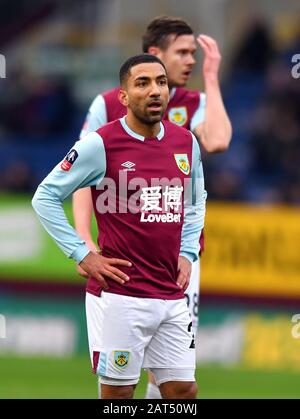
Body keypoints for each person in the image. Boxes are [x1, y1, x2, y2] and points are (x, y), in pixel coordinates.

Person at [73, 16, 231, 398]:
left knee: (171, 380)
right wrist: (84, 242)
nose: (190, 60)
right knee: (122, 383)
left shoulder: (194, 103)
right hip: (125, 258)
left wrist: (212, 77)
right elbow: (79, 177)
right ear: (154, 54)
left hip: (178, 260)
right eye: (182, 53)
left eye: (194, 53)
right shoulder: (109, 104)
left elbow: (219, 140)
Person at [32, 54, 207, 399]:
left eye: (160, 82)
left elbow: (195, 200)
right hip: (120, 295)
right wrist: (82, 253)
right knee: (119, 395)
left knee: (183, 391)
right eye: (142, 83)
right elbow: (45, 197)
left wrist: (187, 252)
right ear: (124, 97)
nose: (155, 90)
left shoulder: (185, 143)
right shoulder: (100, 143)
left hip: (170, 292)